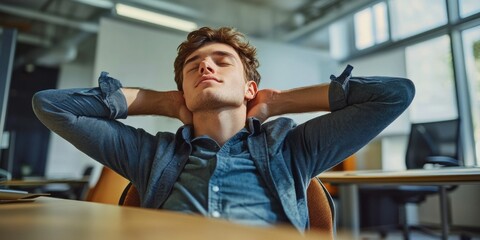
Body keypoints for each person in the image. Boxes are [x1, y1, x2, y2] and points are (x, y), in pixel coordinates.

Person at [33, 27, 415, 232]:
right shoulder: (150, 155)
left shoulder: (291, 148)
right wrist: (159, 102)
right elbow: (51, 106)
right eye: (194, 65)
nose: (206, 67)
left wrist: (279, 102)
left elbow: (395, 95)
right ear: (183, 89)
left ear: (249, 88)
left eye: (222, 61)